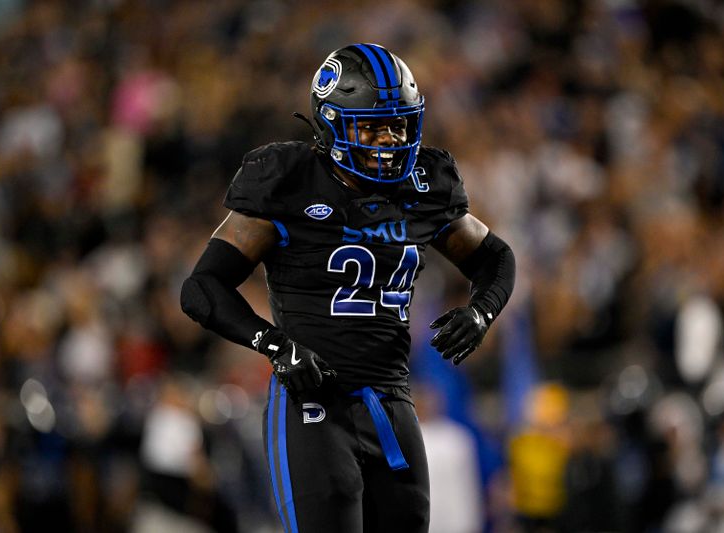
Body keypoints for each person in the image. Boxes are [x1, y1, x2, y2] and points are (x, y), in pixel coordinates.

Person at [180, 43, 515, 533]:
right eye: (374, 126)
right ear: (332, 123)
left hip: (393, 401)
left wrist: (480, 312)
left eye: (399, 124)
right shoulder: (290, 179)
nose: (391, 139)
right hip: (313, 403)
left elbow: (496, 259)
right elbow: (203, 287)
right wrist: (274, 344)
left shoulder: (423, 184)